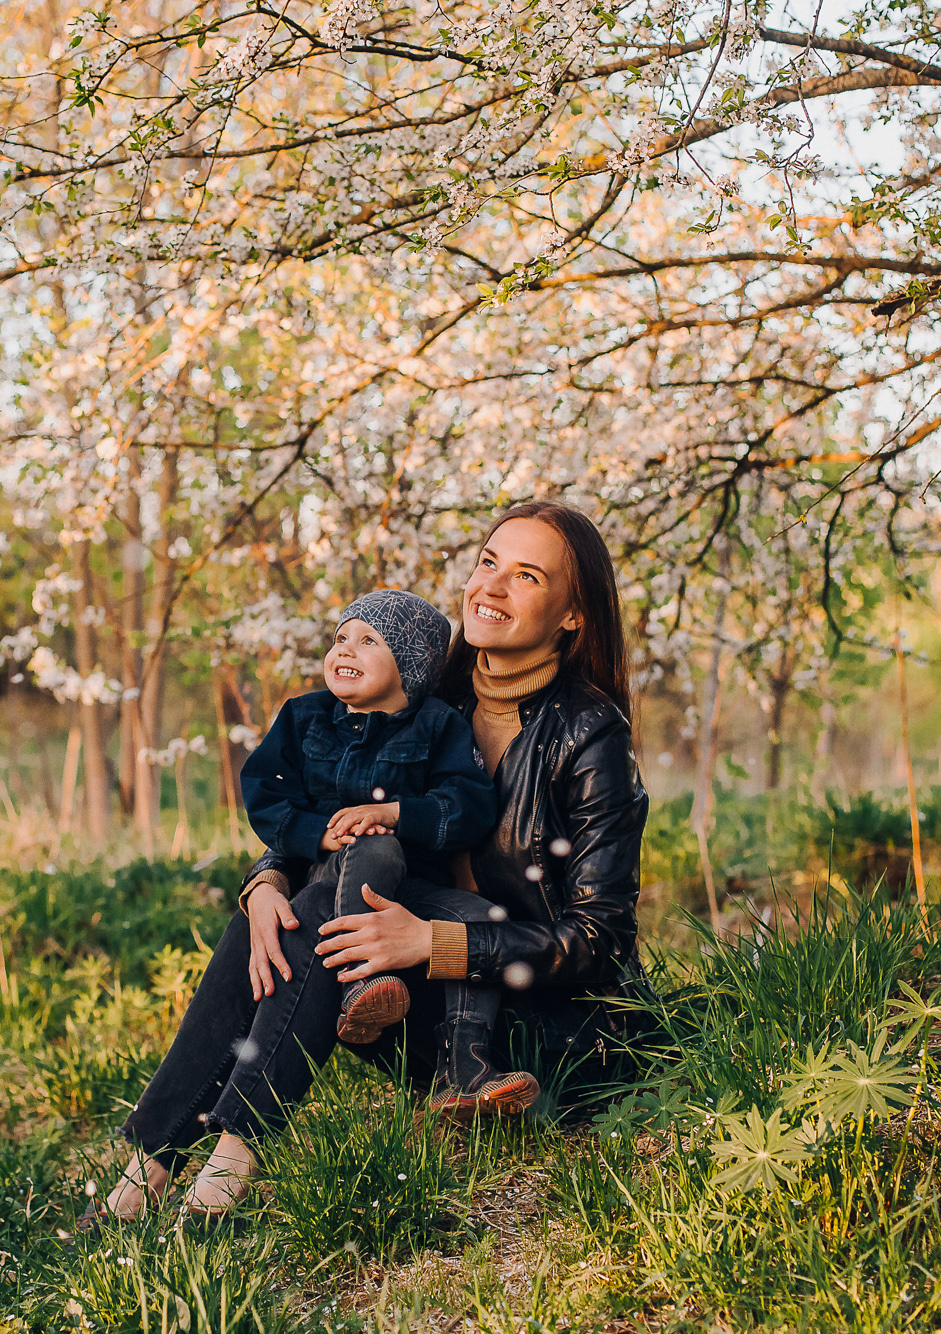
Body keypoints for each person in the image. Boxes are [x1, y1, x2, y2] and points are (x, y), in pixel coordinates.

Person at [84, 501, 648, 1224]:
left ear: (573, 613)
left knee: (321, 907)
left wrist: (432, 943)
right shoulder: (426, 697)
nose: (492, 588)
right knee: (289, 906)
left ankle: (197, 1169)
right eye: (487, 563)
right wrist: (266, 880)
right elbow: (334, 798)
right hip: (420, 1013)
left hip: (538, 1036)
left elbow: (601, 944)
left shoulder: (589, 737)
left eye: (527, 576)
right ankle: (165, 1165)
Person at [238, 591, 518, 1105]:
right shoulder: (304, 718)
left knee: (482, 919)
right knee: (377, 849)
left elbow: (470, 804)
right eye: (341, 637)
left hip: (408, 894)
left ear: (410, 667)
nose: (345, 649)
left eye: (368, 641)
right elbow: (264, 789)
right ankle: (358, 986)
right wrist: (316, 832)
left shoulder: (438, 726)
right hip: (329, 878)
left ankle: (465, 1066)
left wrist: (396, 812)